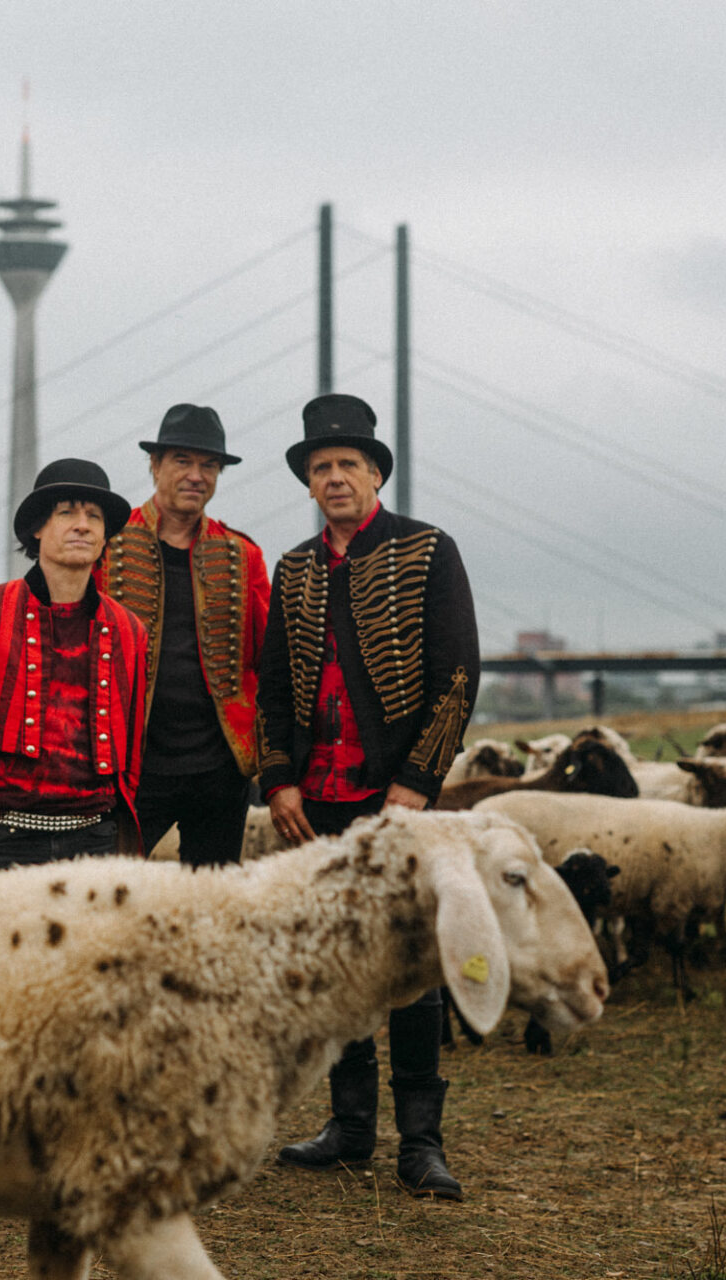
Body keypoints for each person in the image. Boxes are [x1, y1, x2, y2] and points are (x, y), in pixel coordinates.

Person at [258, 393, 480, 1200]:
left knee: (411, 968)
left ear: (376, 473)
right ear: (310, 484)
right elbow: (275, 685)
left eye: (349, 463)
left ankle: (421, 1143)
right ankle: (350, 1129)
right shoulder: (294, 569)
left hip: (398, 798)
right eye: (321, 467)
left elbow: (457, 674)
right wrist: (277, 776)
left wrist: (416, 783)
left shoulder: (427, 550)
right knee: (341, 962)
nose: (335, 477)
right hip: (316, 799)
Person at [0, 459, 147, 874]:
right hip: (2, 836)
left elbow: (134, 741)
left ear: (106, 536)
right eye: (67, 512)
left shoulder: (129, 630)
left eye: (94, 516)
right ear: (37, 527)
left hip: (96, 839)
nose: (82, 525)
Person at [95, 404, 269, 867]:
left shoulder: (242, 554)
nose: (196, 475)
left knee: (212, 902)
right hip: (131, 766)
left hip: (218, 769)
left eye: (208, 465)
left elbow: (266, 660)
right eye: (182, 462)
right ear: (155, 465)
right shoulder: (107, 543)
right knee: (112, 891)